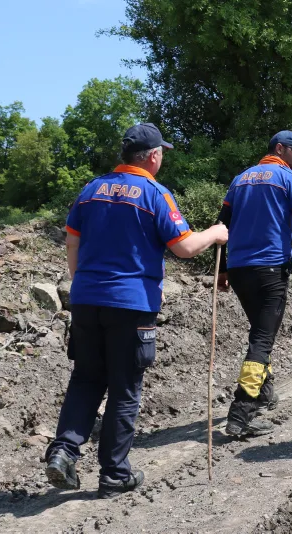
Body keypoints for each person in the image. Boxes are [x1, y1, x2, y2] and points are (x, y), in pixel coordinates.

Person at [45, 123, 228, 497]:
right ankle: (114, 473)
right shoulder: (156, 194)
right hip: (130, 305)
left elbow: (72, 243)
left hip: (85, 300)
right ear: (153, 156)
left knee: (86, 378)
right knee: (125, 388)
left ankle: (63, 452)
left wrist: (81, 286)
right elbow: (184, 247)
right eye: (162, 151)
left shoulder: (91, 190)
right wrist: (216, 233)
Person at [216, 130, 292, 437]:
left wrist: (220, 270)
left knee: (260, 331)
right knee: (262, 341)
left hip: (238, 269)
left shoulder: (240, 180)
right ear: (281, 149)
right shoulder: (287, 178)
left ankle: (262, 392)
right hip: (271, 270)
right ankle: (240, 414)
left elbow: (221, 226)